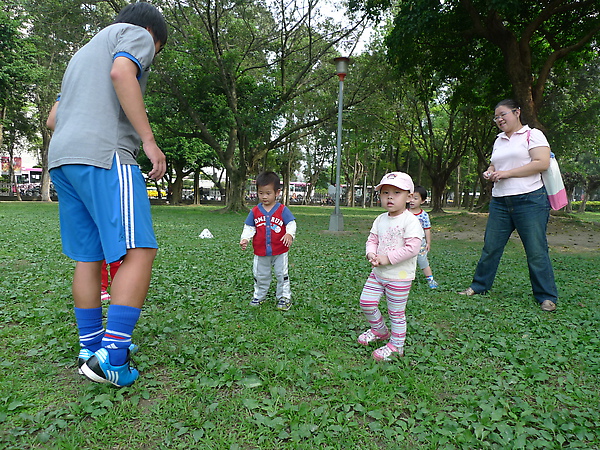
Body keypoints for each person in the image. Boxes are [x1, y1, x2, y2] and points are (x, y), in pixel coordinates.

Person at [47, 2, 168, 387]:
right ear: (152, 34)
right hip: (105, 155)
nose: (151, 59)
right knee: (139, 250)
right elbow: (122, 72)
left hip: (63, 159)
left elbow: (52, 118)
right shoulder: (136, 35)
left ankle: (89, 346)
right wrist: (148, 142)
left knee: (89, 255)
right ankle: (113, 356)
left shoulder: (81, 55)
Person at [458, 99, 559, 312]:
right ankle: (479, 286)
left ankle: (546, 297)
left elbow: (541, 162)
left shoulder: (534, 135)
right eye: (496, 117)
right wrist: (490, 171)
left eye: (503, 114)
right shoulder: (499, 140)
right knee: (491, 247)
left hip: (530, 200)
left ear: (517, 112)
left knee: (536, 250)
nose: (499, 119)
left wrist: (507, 173)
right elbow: (496, 163)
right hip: (501, 201)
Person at [357, 172, 424, 361]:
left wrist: (388, 258)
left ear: (409, 197)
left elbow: (413, 248)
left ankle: (397, 346)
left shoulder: (410, 221)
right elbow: (372, 239)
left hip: (399, 276)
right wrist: (371, 253)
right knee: (366, 302)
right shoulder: (380, 219)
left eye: (396, 192)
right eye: (385, 193)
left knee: (396, 313)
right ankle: (379, 331)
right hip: (378, 273)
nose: (390, 197)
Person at [240, 172, 297, 311]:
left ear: (277, 192)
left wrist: (289, 234)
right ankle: (259, 296)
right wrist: (245, 238)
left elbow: (291, 223)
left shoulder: (282, 210)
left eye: (268, 193)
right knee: (260, 275)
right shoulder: (254, 211)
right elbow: (249, 226)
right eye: (261, 193)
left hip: (280, 250)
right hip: (260, 251)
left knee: (281, 274)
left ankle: (284, 297)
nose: (264, 197)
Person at [409, 186, 439, 289]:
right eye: (411, 197)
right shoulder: (404, 213)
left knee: (423, 261)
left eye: (416, 198)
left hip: (420, 242)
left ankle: (430, 279)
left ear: (422, 201)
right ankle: (404, 279)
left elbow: (427, 229)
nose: (412, 201)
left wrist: (428, 242)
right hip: (406, 242)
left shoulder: (424, 215)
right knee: (404, 261)